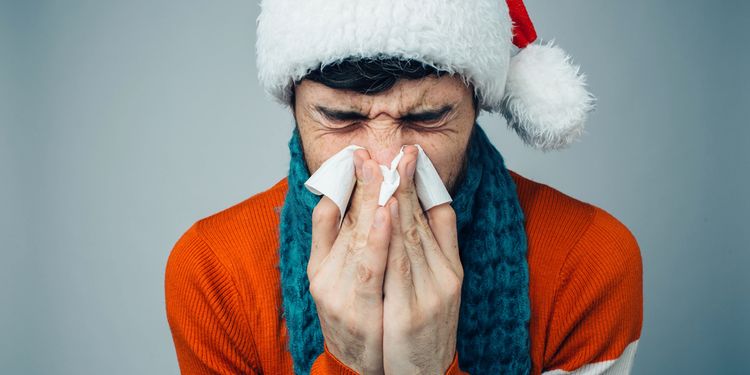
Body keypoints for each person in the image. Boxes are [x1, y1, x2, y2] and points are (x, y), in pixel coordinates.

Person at [164, 0, 643, 374]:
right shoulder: (213, 272)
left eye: (428, 118)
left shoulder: (589, 260)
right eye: (340, 117)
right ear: (294, 107)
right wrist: (349, 359)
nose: (387, 161)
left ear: (478, 106)